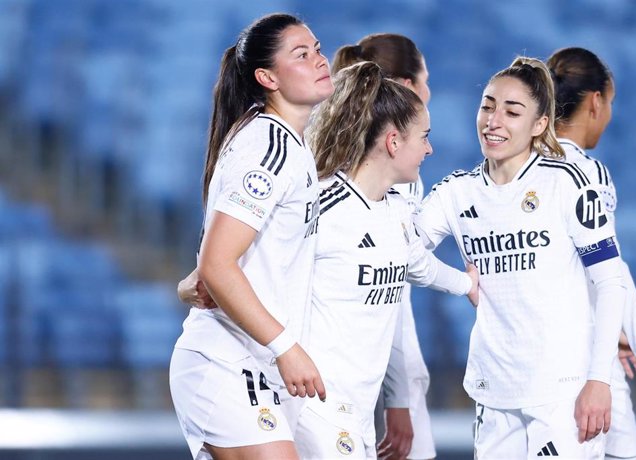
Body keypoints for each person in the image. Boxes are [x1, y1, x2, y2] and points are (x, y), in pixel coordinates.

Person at [414, 56, 627, 459]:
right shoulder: (455, 193)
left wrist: (600, 380)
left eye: (512, 111)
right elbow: (401, 253)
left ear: (540, 124)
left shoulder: (566, 182)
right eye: (488, 106)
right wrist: (457, 282)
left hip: (563, 393)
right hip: (493, 392)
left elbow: (610, 281)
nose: (494, 120)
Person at [292, 60, 478, 459]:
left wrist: (466, 285)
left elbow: (417, 263)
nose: (430, 148)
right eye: (424, 137)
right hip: (314, 405)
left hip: (358, 408)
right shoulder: (320, 206)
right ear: (394, 142)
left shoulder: (394, 209)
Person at [168, 13, 334, 460]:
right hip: (228, 361)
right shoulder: (269, 146)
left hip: (253, 364)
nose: (321, 60)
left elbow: (233, 260)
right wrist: (286, 348)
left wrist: (196, 280)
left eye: (317, 48)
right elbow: (219, 262)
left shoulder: (289, 143)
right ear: (267, 77)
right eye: (302, 54)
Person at [547, 46, 636, 460]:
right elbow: (610, 269)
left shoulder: (521, 166)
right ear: (596, 101)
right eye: (611, 103)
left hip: (572, 348)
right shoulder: (588, 173)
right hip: (581, 364)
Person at [332, 33, 434, 460]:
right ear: (409, 88)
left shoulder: (335, 147)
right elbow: (390, 297)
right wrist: (401, 397)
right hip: (352, 371)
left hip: (359, 368)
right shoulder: (384, 177)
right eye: (427, 79)